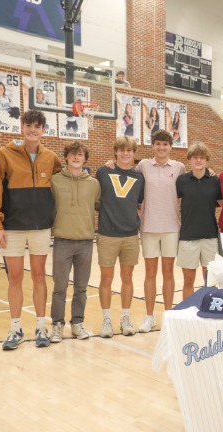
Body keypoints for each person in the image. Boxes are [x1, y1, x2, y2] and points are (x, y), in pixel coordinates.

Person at [0, 109, 62, 350]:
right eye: (29, 125)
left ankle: (41, 327)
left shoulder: (51, 158)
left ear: (43, 130)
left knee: (39, 276)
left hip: (41, 227)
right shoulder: (3, 155)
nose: (33, 130)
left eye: (37, 126)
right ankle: (15, 329)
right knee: (15, 277)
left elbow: (65, 181)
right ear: (22, 128)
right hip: (12, 228)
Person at [49, 142, 101, 343]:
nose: (76, 157)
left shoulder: (94, 184)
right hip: (62, 241)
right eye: (72, 154)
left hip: (85, 242)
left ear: (85, 159)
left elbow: (101, 207)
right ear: (66, 157)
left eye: (80, 155)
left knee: (81, 287)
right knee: (60, 287)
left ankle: (77, 323)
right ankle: (57, 324)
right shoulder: (55, 181)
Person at [135, 130, 186, 332]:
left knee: (168, 273)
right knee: (150, 273)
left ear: (171, 147)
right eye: (158, 144)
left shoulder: (179, 167)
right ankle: (149, 316)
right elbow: (129, 179)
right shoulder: (143, 165)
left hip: (171, 228)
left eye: (165, 144)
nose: (161, 148)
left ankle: (168, 315)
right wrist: (110, 164)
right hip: (148, 227)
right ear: (153, 146)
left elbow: (189, 185)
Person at [96, 136, 145, 338]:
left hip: (131, 235)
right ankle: (106, 319)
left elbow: (138, 202)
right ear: (115, 151)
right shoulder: (103, 172)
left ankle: (125, 318)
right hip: (107, 234)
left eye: (129, 150)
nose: (125, 153)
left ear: (134, 153)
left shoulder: (139, 177)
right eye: (122, 150)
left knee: (127, 277)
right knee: (106, 278)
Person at [176, 142, 222, 299]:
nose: (198, 160)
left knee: (210, 281)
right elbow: (172, 203)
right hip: (188, 237)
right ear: (190, 159)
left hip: (210, 237)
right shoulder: (181, 180)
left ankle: (210, 309)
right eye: (195, 157)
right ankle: (188, 309)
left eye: (202, 157)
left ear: (206, 160)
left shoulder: (215, 181)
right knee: (188, 280)